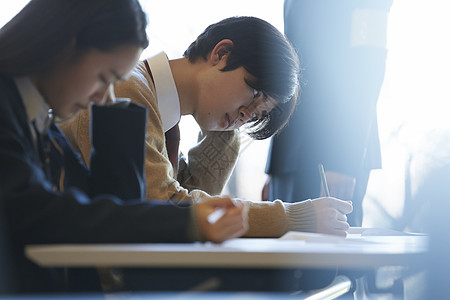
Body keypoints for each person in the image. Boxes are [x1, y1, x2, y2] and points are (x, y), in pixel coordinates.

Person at [0, 0, 247, 293]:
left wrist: (113, 116)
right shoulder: (9, 110)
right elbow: (44, 213)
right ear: (64, 46)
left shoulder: (39, 122)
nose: (104, 98)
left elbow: (105, 203)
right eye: (105, 78)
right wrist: (187, 220)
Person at [61, 16, 353, 238]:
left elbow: (184, 211)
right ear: (221, 53)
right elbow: (163, 207)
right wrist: (293, 216)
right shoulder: (126, 89)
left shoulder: (163, 114)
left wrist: (225, 134)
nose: (244, 115)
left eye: (255, 115)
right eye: (253, 95)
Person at [263, 0, 392, 226]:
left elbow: (369, 62)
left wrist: (344, 158)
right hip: (288, 156)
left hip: (332, 153)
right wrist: (275, 169)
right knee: (284, 254)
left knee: (329, 254)